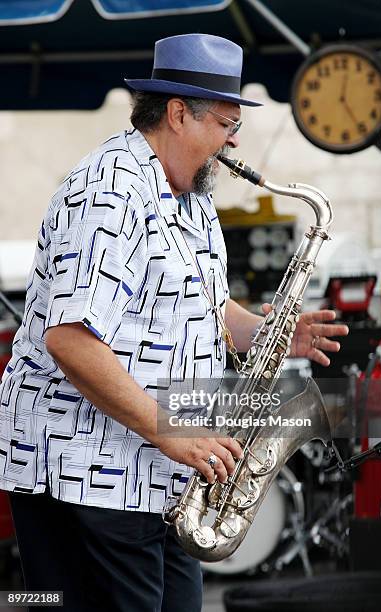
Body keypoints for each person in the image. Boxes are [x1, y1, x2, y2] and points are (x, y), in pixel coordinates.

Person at [0, 33, 348, 611]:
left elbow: (206, 307)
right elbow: (70, 339)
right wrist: (170, 431)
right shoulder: (109, 192)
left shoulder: (192, 199)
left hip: (164, 478)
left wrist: (274, 332)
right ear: (179, 113)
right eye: (226, 124)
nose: (234, 142)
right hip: (92, 475)